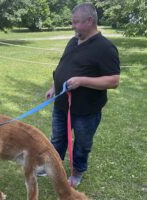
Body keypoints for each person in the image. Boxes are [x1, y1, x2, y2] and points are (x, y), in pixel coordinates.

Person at [37, 3, 120, 187]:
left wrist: (82, 81)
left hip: (86, 111)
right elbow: (63, 67)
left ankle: (77, 172)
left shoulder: (105, 48)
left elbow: (114, 81)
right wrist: (54, 86)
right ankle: (52, 166)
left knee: (82, 144)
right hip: (61, 105)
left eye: (76, 22)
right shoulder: (73, 41)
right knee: (57, 139)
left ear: (90, 21)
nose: (73, 26)